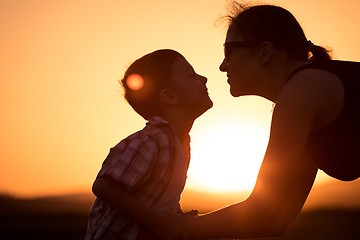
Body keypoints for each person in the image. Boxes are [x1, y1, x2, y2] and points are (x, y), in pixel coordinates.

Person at [183, 3, 360, 239]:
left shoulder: (302, 91)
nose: (222, 65)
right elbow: (276, 220)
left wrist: (172, 226)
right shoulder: (304, 94)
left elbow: (260, 211)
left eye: (228, 51)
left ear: (265, 51)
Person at [85, 49, 213, 240]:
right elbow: (104, 186)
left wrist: (175, 216)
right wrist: (157, 222)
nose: (204, 78)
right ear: (169, 97)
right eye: (191, 75)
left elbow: (155, 195)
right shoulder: (152, 141)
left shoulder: (179, 143)